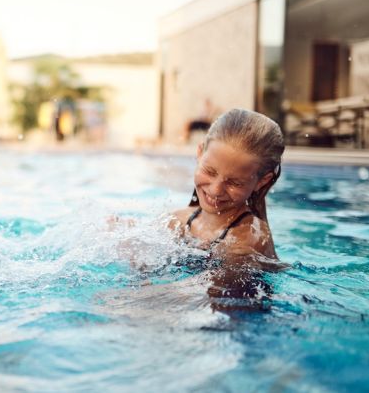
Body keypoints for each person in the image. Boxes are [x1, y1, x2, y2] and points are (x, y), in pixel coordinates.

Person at [116, 108, 286, 310]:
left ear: (262, 181)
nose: (216, 190)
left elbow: (211, 294)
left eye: (235, 183)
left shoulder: (250, 237)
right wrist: (130, 248)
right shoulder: (179, 220)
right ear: (199, 153)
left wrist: (132, 299)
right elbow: (147, 266)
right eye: (209, 171)